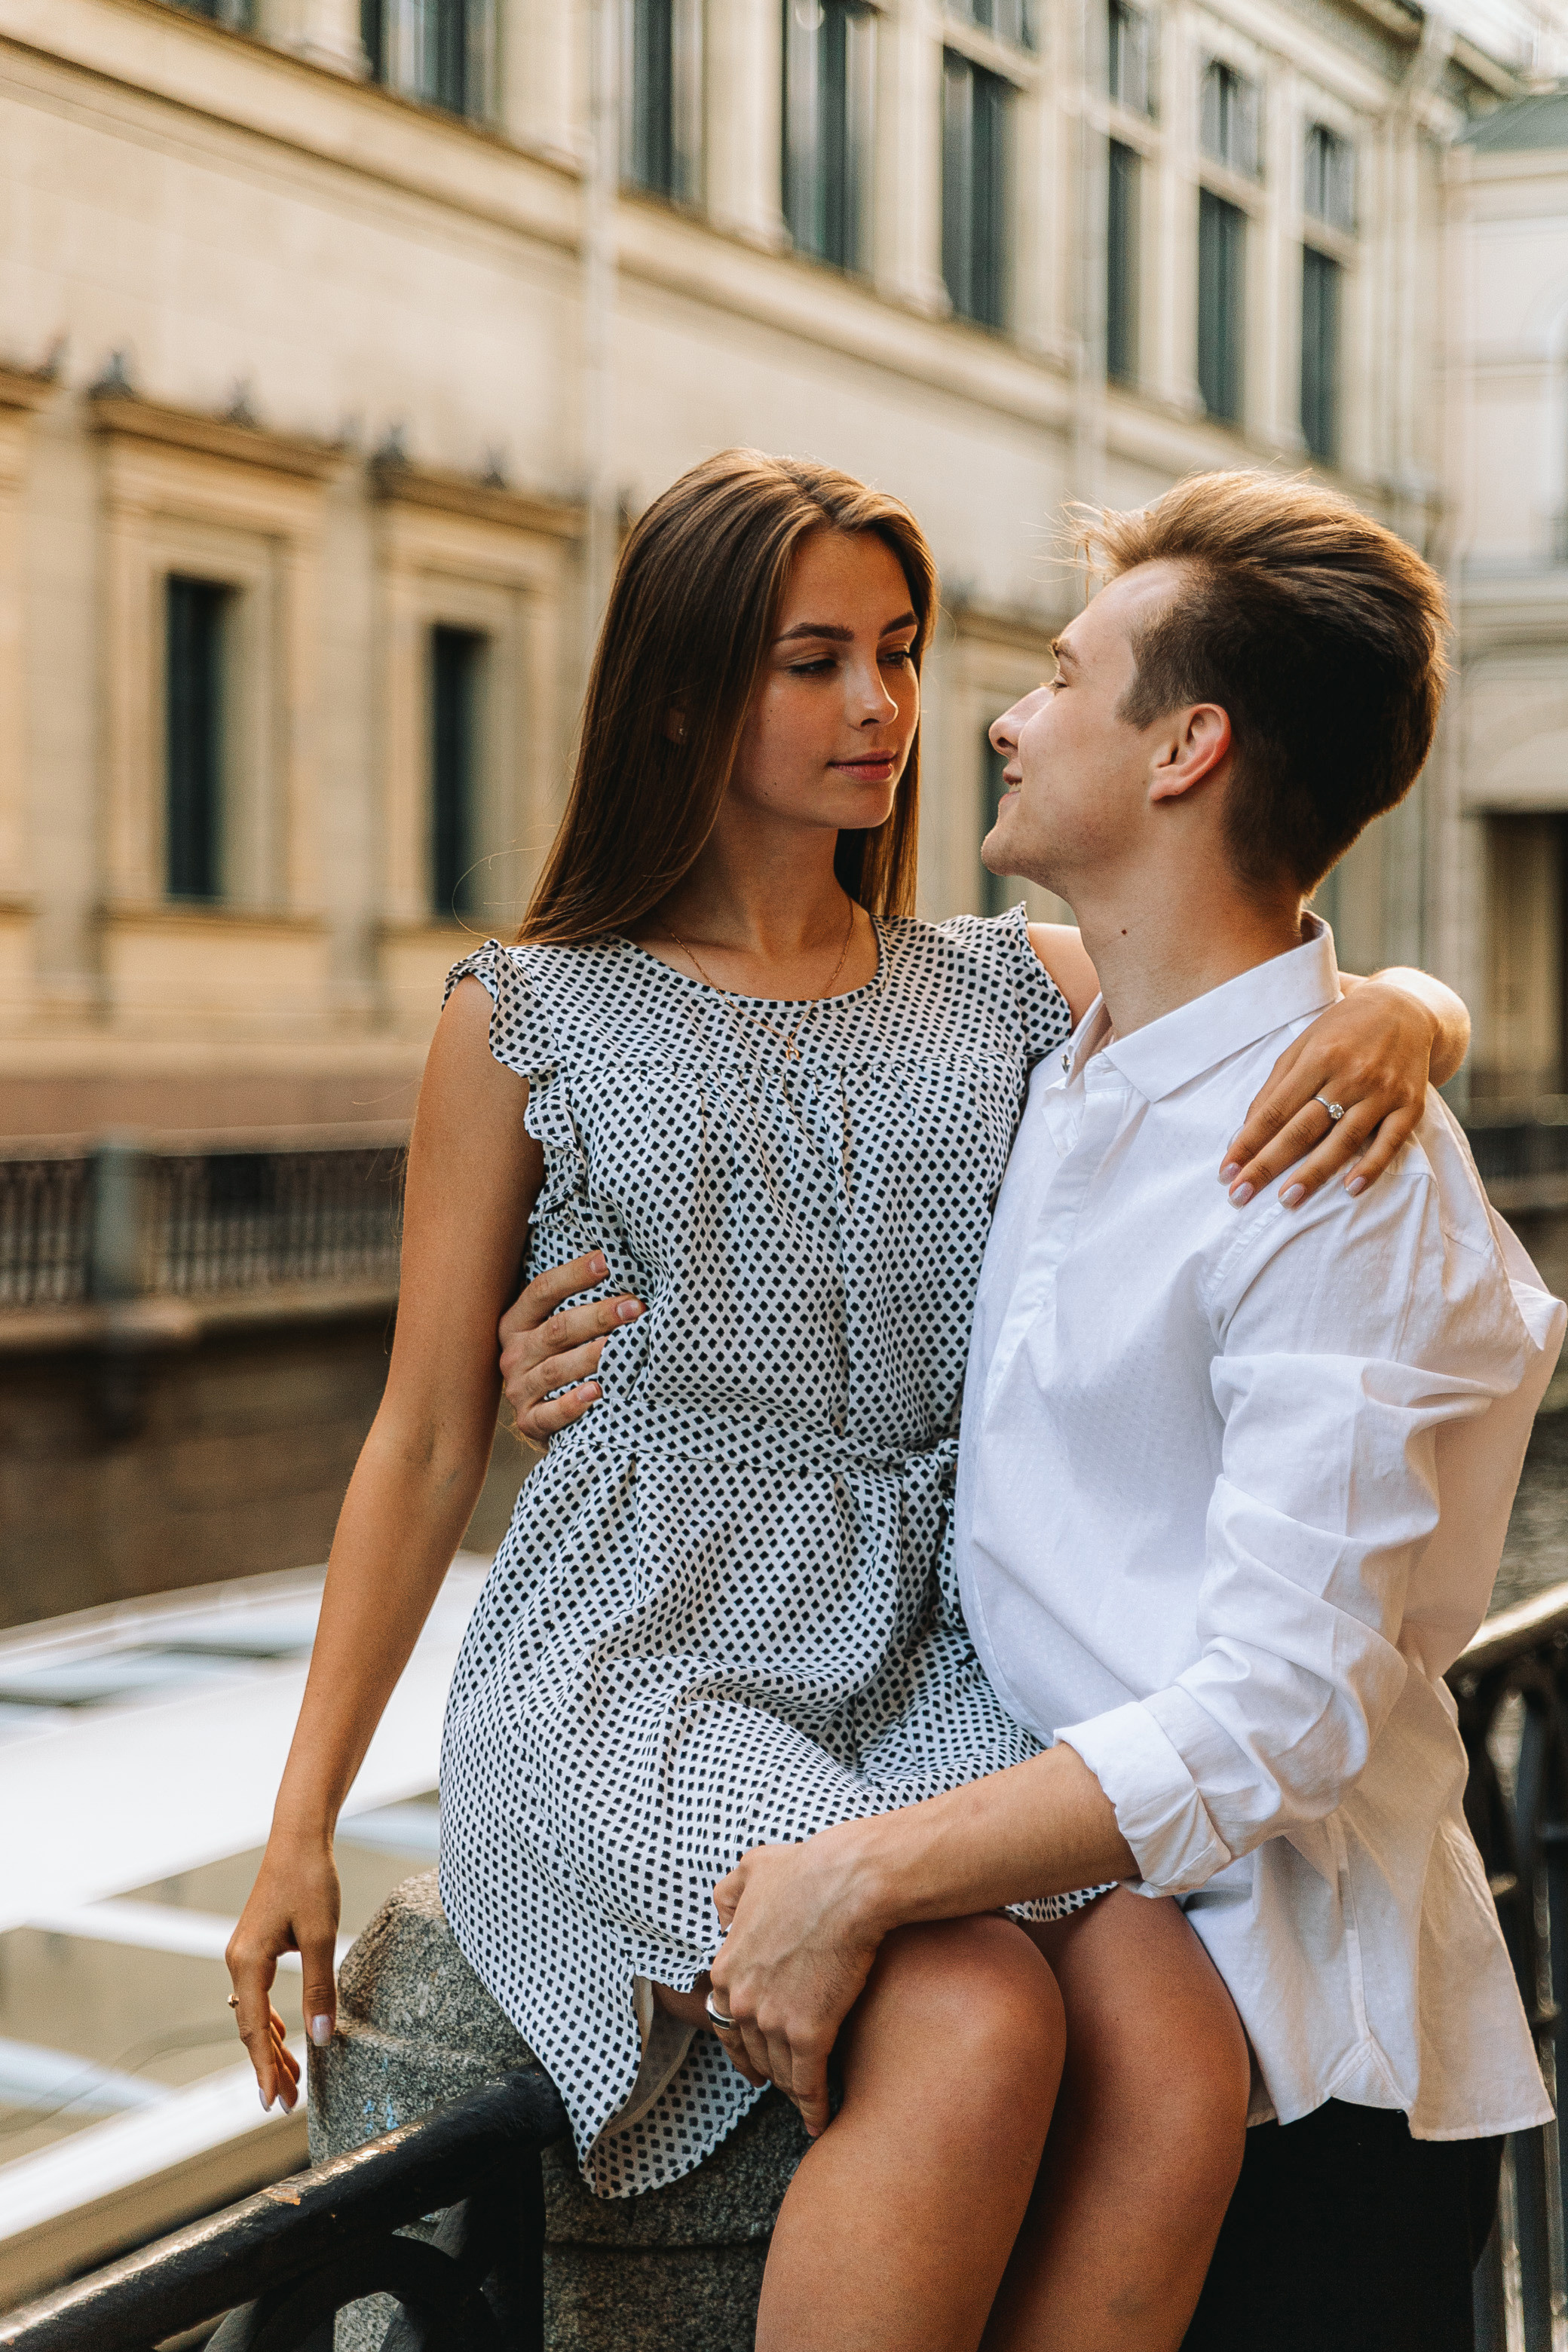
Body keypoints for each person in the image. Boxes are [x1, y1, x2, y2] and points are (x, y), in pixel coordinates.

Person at [227, 452, 1474, 2352]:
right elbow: (418, 1438)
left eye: (895, 653)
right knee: (970, 2011)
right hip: (632, 1658)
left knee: (1156, 2004)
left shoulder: (1001, 987)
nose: (886, 706)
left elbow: (1231, 960)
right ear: (678, 692)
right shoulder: (526, 1010)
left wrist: (1410, 1001)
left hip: (931, 1653)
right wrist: (301, 1817)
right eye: (813, 662)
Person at [696, 472, 1566, 2352]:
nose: (992, 719)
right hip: (1098, 2014)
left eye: (1058, 678)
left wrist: (860, 1872)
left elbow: (1285, 1708)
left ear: (1185, 748)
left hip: (1290, 2100)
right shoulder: (1074, 1058)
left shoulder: (1329, 1160)